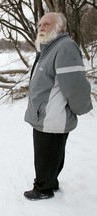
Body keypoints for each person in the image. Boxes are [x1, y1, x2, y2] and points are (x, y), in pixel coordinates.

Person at [24, 12, 93, 200]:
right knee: (51, 153)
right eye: (39, 25)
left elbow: (75, 85)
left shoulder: (65, 47)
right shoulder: (49, 48)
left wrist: (80, 108)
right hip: (45, 115)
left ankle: (43, 189)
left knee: (46, 155)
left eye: (46, 24)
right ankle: (51, 183)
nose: (41, 28)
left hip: (53, 115)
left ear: (60, 27)